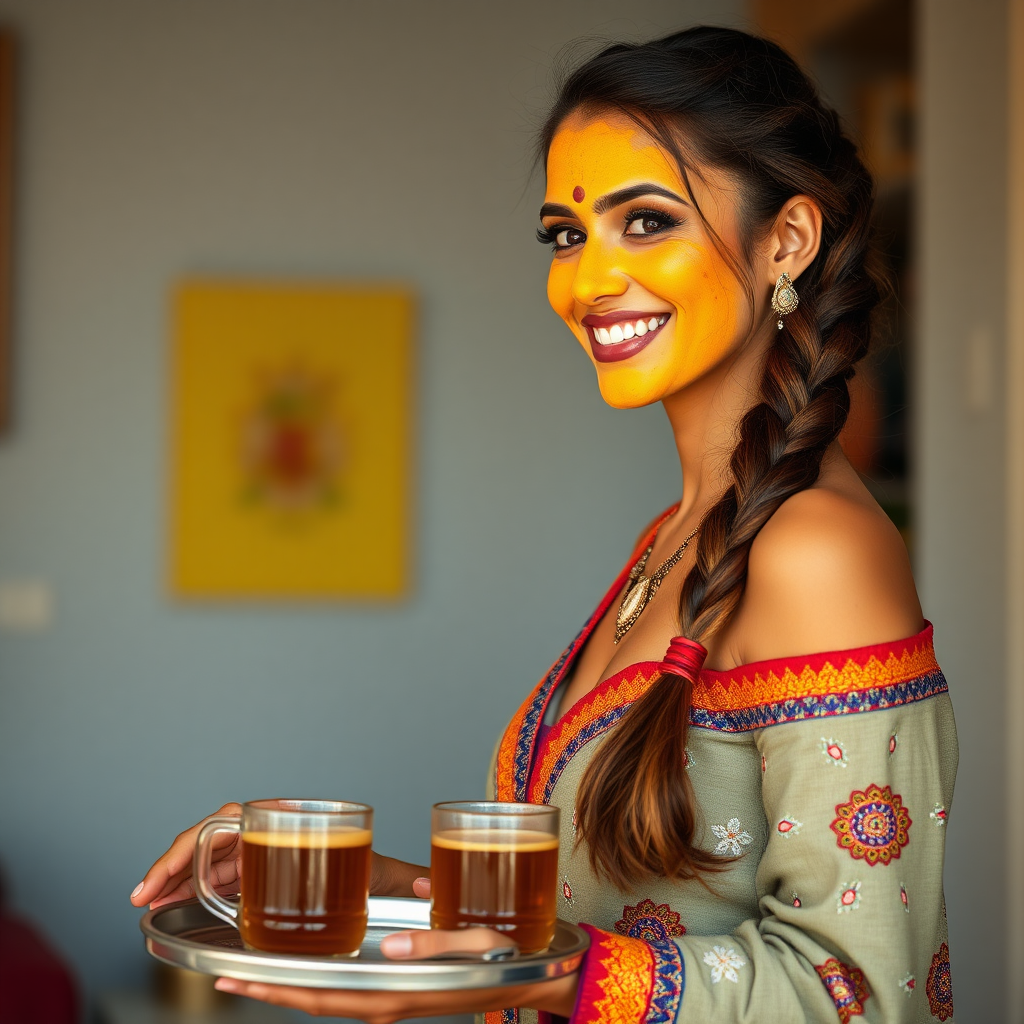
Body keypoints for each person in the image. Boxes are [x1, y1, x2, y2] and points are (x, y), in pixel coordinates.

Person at [130, 26, 956, 1024]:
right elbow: (586, 907)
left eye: (643, 222)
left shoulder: (817, 550)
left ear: (786, 239)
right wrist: (374, 887)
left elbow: (864, 997)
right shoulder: (680, 534)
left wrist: (549, 978)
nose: (588, 278)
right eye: (566, 234)